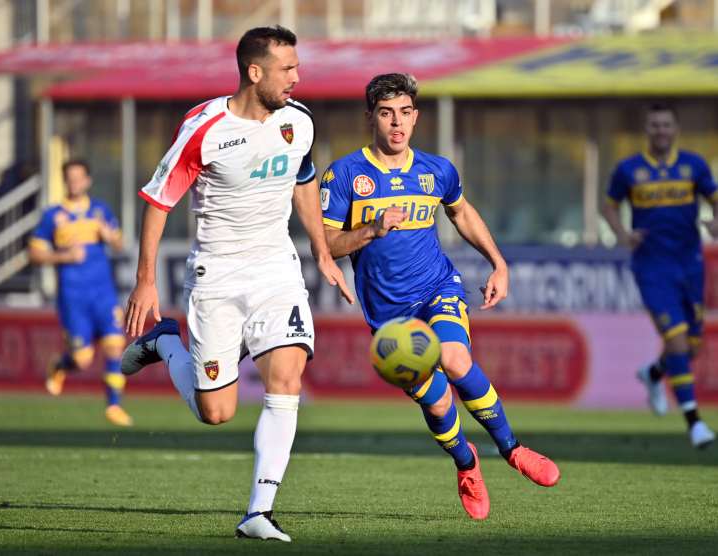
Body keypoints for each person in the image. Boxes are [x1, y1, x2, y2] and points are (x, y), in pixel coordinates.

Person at [120, 26, 353, 542]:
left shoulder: (299, 121)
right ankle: (163, 342)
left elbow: (304, 181)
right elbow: (160, 201)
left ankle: (258, 512)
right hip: (217, 276)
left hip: (276, 269)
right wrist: (145, 282)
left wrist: (320, 249)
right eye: (287, 69)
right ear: (254, 72)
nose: (297, 77)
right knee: (216, 412)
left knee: (286, 378)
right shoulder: (204, 127)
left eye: (297, 66)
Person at [319, 73, 560, 521]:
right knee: (438, 402)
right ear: (370, 116)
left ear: (416, 117)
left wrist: (498, 263)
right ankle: (467, 466)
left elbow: (462, 213)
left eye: (405, 113)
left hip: (437, 289)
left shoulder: (437, 170)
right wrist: (371, 229)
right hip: (388, 315)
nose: (397, 123)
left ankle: (512, 449)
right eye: (387, 113)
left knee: (455, 359)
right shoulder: (346, 173)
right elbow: (325, 242)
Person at [602, 102, 718, 449]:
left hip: (690, 264)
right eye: (655, 125)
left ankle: (653, 374)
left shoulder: (694, 165)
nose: (661, 131)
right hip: (652, 267)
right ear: (647, 130)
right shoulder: (629, 169)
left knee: (691, 345)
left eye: (666, 125)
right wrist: (624, 235)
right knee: (679, 340)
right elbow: (608, 206)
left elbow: (715, 198)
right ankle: (694, 422)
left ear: (675, 129)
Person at [28, 159, 131, 427]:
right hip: (73, 297)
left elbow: (120, 245)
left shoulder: (100, 210)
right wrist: (63, 256)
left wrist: (111, 238)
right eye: (69, 178)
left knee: (114, 345)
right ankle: (61, 365)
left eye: (79, 177)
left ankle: (113, 406)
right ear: (65, 181)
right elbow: (35, 254)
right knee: (82, 359)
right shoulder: (53, 216)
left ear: (87, 181)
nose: (74, 182)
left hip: (103, 293)